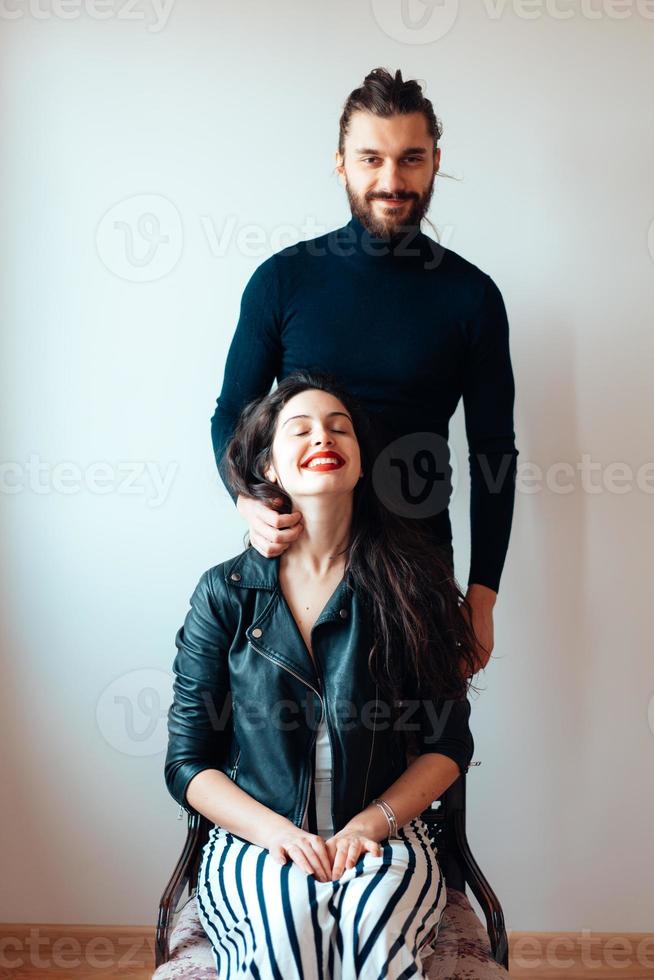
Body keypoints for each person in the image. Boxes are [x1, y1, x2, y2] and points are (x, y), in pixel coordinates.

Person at [165, 370, 481, 979]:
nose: (323, 436)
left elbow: (448, 744)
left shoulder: (414, 585)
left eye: (340, 429)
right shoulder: (224, 593)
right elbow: (187, 761)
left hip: (386, 836)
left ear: (361, 466)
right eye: (300, 428)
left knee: (374, 935)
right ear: (271, 470)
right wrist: (276, 833)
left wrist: (371, 824)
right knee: (286, 924)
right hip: (254, 840)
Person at [210, 66, 519, 677]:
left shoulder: (472, 296)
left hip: (420, 572)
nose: (390, 180)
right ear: (341, 162)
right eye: (371, 158)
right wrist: (247, 501)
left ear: (434, 161)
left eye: (409, 159)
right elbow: (232, 412)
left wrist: (482, 595)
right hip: (298, 561)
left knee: (425, 759)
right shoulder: (284, 280)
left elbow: (494, 453)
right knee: (288, 762)